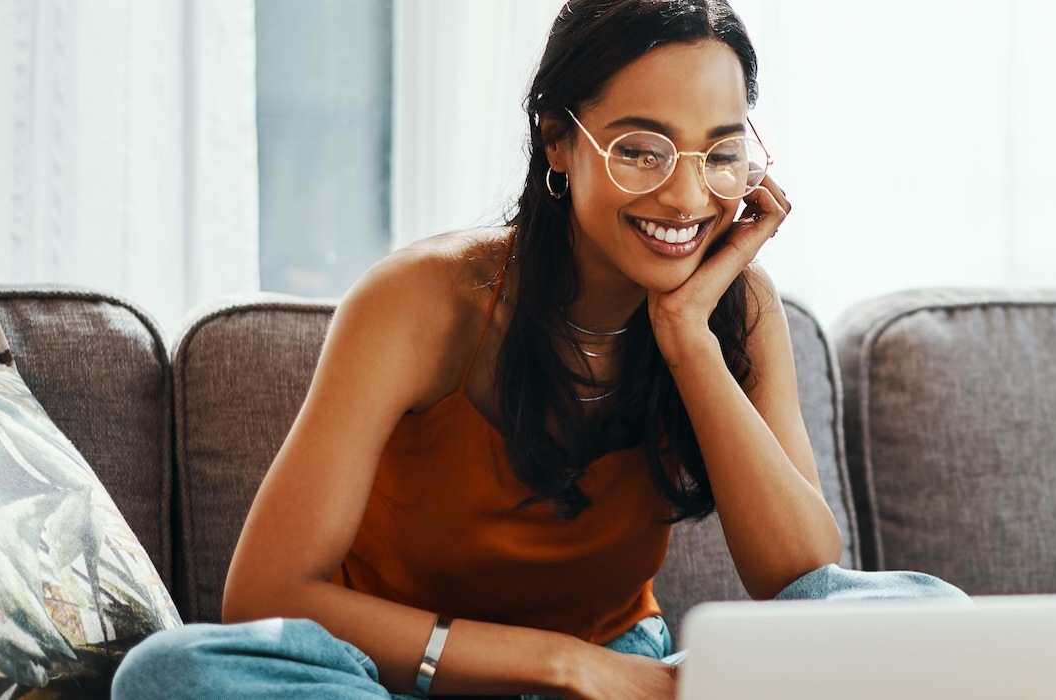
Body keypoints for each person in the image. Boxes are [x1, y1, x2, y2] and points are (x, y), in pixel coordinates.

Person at [111, 1, 961, 698]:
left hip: (624, 668)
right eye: (641, 149)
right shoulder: (423, 301)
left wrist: (687, 339)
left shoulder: (732, 309)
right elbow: (265, 595)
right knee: (169, 673)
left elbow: (800, 574)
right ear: (559, 140)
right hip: (399, 677)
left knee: (923, 612)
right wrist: (563, 665)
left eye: (720, 153)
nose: (686, 193)